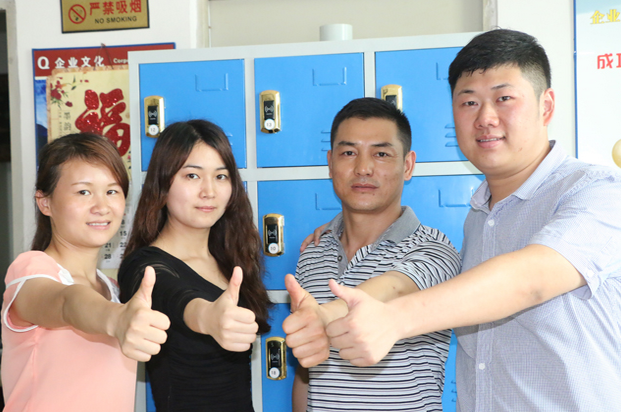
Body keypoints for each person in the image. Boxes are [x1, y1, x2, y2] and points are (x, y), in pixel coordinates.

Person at [315, 29, 621, 411]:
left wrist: (393, 320)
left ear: (546, 106)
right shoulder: (479, 216)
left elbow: (528, 280)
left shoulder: (599, 191)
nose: (485, 118)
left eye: (504, 98)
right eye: (469, 102)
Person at [282, 98, 461, 412]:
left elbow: (396, 286)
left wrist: (325, 315)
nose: (363, 168)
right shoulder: (312, 254)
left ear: (407, 165)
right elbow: (307, 372)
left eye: (381, 154)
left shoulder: (434, 249)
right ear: (330, 163)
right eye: (349, 153)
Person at [1, 133, 170, 412]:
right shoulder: (31, 271)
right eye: (83, 192)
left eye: (112, 191)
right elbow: (66, 302)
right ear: (45, 203)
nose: (102, 207)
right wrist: (115, 318)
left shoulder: (112, 290)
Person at [118, 119, 272, 412]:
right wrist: (207, 317)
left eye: (221, 176)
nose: (209, 191)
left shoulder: (228, 257)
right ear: (163, 183)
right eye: (192, 176)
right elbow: (175, 298)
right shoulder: (145, 267)